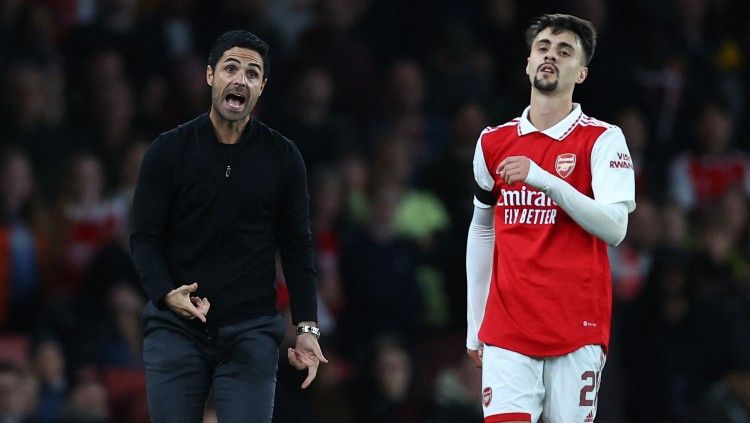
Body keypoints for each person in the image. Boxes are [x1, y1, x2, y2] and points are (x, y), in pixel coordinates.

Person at [130, 30, 326, 423]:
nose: (240, 79)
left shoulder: (283, 158)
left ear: (262, 88)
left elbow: (297, 246)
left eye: (252, 73)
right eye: (230, 68)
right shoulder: (167, 151)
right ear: (209, 76)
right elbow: (144, 238)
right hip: (176, 327)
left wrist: (307, 326)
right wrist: (166, 294)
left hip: (251, 330)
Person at [465, 14, 635, 423]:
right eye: (543, 48)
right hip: (507, 330)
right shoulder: (492, 142)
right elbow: (482, 226)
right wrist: (476, 324)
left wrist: (544, 180)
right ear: (527, 63)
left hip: (577, 330)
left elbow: (615, 228)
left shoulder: (603, 139)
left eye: (564, 52)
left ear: (581, 72)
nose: (550, 56)